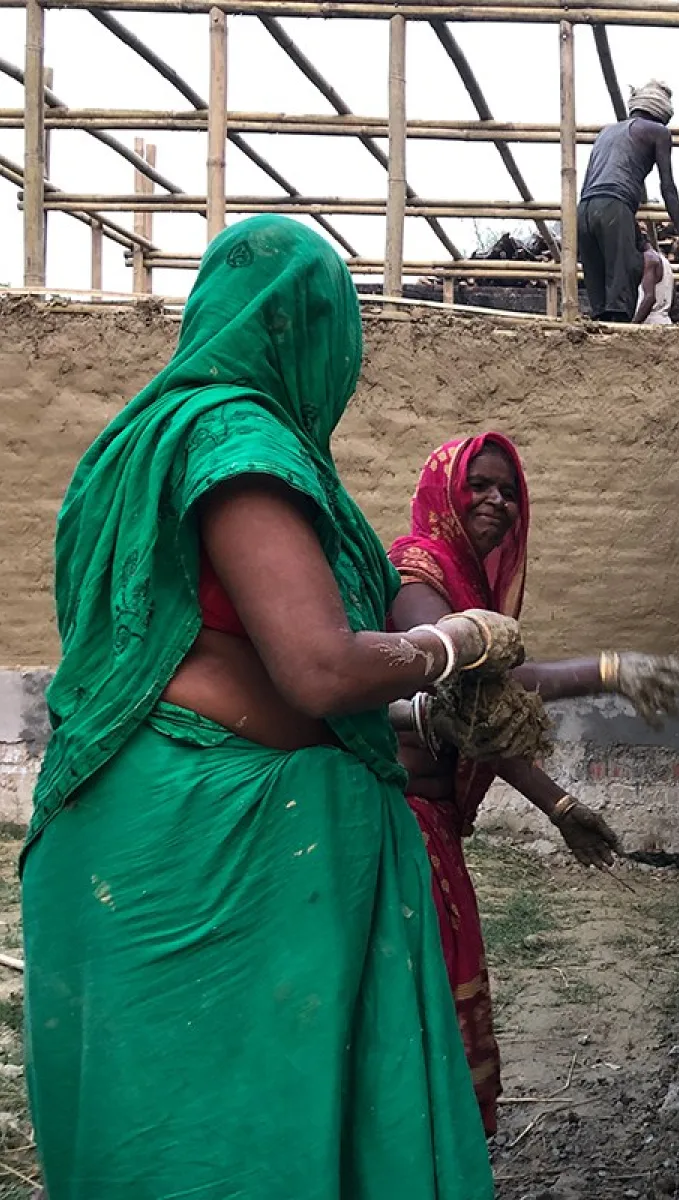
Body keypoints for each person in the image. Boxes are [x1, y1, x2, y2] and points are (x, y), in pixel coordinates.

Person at [22, 215, 521, 1199]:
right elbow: (321, 673)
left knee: (174, 1135)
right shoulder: (236, 440)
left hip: (142, 839)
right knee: (223, 1145)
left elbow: (203, 648)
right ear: (315, 334)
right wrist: (456, 642)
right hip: (205, 855)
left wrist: (412, 720)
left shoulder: (136, 445)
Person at [387, 432, 679, 1134]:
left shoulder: (462, 583)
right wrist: (607, 671)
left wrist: (559, 807)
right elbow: (465, 683)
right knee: (419, 1003)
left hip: (433, 825)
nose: (497, 501)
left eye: (509, 491)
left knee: (435, 997)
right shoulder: (417, 576)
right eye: (481, 485)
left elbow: (480, 725)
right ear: (445, 491)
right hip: (400, 826)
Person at [578, 80, 679, 322]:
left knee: (599, 293)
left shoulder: (605, 132)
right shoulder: (657, 132)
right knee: (621, 288)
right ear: (661, 113)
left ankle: (600, 344)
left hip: (585, 209)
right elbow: (668, 187)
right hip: (614, 206)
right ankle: (617, 349)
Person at [634, 227, 675, 325]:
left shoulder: (648, 259)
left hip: (650, 322)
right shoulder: (664, 260)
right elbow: (674, 297)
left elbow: (649, 297)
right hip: (664, 319)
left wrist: (632, 326)